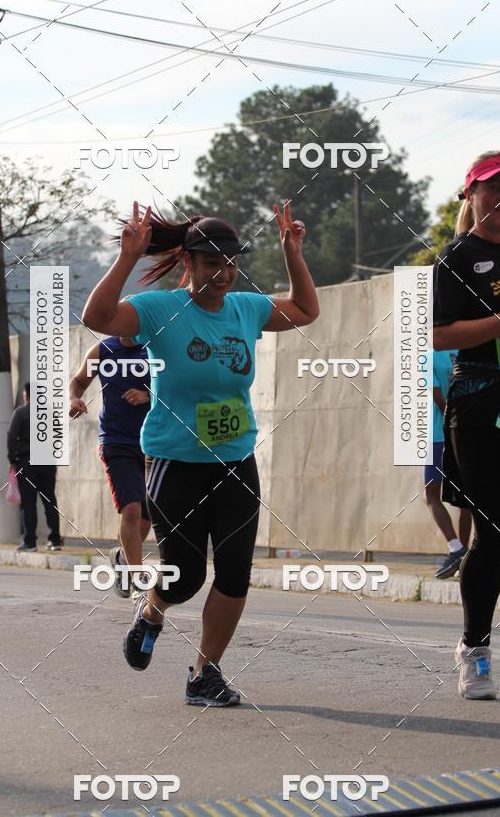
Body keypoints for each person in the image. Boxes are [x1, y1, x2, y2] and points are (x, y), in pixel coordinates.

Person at [82, 200, 318, 706]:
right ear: (188, 263)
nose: (224, 273)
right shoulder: (158, 310)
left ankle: (203, 674)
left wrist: (292, 253)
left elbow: (305, 311)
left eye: (231, 263)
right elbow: (96, 316)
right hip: (175, 461)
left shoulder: (246, 308)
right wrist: (128, 257)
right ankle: (151, 612)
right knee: (185, 577)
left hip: (235, 461)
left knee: (234, 573)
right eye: (212, 263)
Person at [433, 150, 500, 700]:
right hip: (481, 401)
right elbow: (441, 337)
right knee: (493, 532)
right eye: (493, 188)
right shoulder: (457, 259)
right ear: (470, 196)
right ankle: (476, 651)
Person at [69, 336, 151, 597]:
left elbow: (179, 386)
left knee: (148, 519)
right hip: (116, 442)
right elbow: (79, 381)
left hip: (154, 441)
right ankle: (138, 579)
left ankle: (123, 559)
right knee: (130, 510)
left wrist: (148, 394)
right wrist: (72, 399)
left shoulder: (156, 346)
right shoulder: (103, 350)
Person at [424, 349, 472, 579]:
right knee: (466, 499)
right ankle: (464, 559)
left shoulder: (428, 357)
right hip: (467, 433)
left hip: (439, 435)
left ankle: (456, 548)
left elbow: (438, 398)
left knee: (431, 494)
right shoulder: (465, 350)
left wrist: (452, 422)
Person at [7, 382, 63, 552]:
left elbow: (12, 437)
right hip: (47, 462)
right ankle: (55, 539)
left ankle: (30, 542)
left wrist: (12, 459)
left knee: (28, 503)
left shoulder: (21, 413)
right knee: (49, 500)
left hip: (27, 462)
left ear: (26, 394)